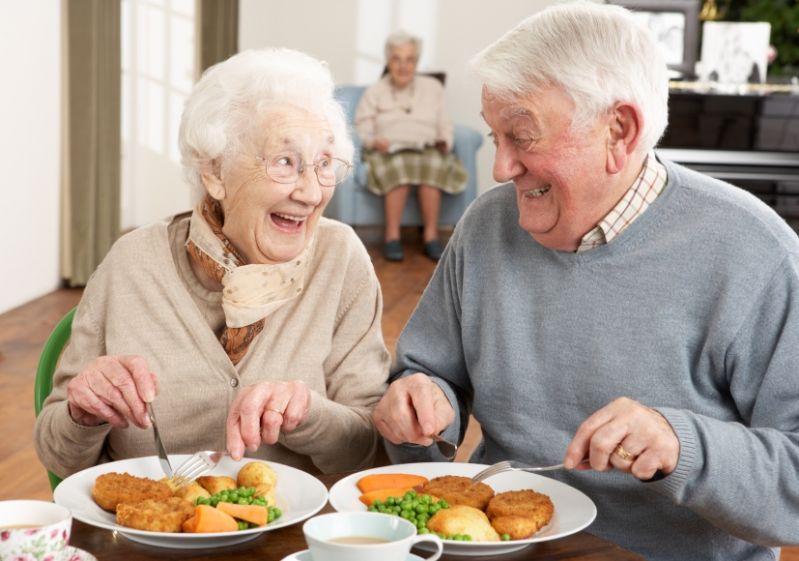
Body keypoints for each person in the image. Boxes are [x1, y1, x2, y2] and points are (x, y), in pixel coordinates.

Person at [372, 3, 799, 561]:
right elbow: (427, 375)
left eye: (522, 137)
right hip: (497, 547)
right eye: (494, 135)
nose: (500, 168)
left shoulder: (755, 253)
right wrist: (419, 406)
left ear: (619, 131)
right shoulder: (485, 226)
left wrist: (681, 445)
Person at [34, 48, 391, 478]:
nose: (312, 192)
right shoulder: (131, 264)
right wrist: (82, 412)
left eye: (324, 164)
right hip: (149, 533)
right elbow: (59, 454)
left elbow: (372, 451)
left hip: (295, 541)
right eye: (285, 162)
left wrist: (309, 415)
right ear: (215, 172)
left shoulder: (340, 259)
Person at [354, 31, 468, 262]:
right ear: (388, 61)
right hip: (388, 151)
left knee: (433, 165)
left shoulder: (432, 87)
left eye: (409, 60)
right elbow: (362, 126)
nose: (403, 66)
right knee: (399, 167)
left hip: (425, 147)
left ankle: (431, 237)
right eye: (397, 59)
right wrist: (374, 140)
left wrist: (445, 141)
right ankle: (392, 237)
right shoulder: (375, 91)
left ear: (416, 62)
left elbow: (444, 122)